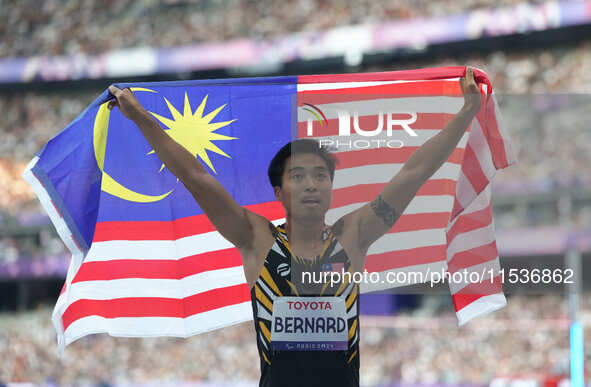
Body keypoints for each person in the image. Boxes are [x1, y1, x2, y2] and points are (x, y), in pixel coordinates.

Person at [107, 67, 482, 387]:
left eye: (321, 175)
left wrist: (467, 112)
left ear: (332, 187)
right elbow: (197, 177)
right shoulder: (257, 238)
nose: (311, 184)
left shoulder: (352, 235)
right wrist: (141, 117)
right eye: (298, 176)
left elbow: (414, 173)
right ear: (278, 190)